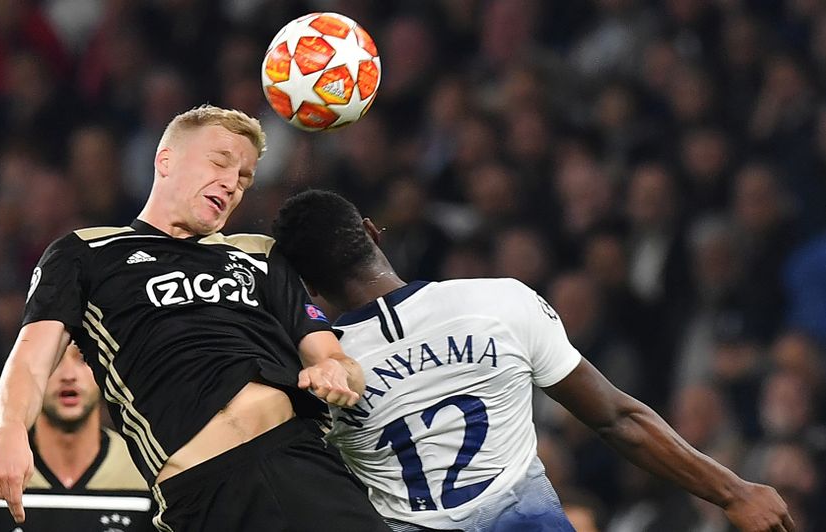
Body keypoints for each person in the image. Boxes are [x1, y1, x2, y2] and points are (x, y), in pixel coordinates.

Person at [271, 189, 796, 532]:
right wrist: (734, 491)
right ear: (372, 231)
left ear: (307, 286)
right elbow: (617, 418)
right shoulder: (501, 301)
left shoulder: (315, 376)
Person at [0, 106, 390, 532]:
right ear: (165, 160)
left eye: (245, 178)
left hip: (303, 465)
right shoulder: (86, 253)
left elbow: (337, 361)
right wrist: (10, 430)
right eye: (219, 162)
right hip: (204, 495)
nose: (232, 184)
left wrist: (335, 372)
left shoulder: (258, 254)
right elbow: (31, 357)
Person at [0, 344, 155, 531]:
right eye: (53, 360)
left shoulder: (146, 470)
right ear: (26, 371)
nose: (68, 375)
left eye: (83, 358)